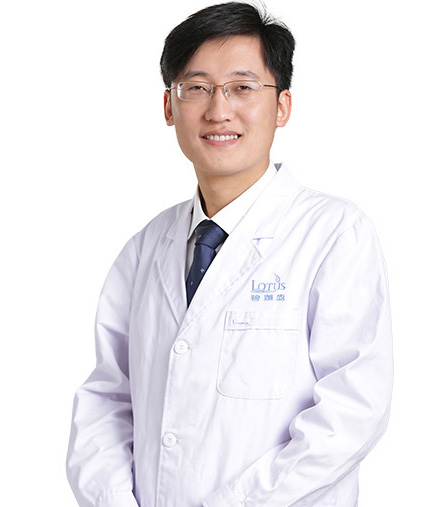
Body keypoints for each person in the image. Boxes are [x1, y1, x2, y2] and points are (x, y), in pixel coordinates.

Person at [66, 2, 393, 507]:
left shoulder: (334, 234)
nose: (218, 110)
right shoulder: (146, 247)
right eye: (196, 88)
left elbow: (351, 412)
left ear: (281, 106)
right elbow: (109, 398)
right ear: (169, 106)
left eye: (242, 87)